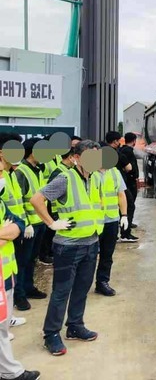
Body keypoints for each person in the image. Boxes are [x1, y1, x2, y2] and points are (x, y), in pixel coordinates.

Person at [30, 140, 102, 356]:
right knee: (61, 292)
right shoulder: (65, 178)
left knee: (81, 289)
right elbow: (37, 199)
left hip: (91, 243)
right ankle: (51, 334)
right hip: (68, 247)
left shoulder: (96, 178)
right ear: (76, 158)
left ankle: (75, 325)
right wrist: (51, 223)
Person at [0, 193, 41, 380]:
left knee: (2, 327)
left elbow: (18, 224)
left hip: (6, 276)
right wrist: (6, 231)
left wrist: (11, 230)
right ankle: (11, 372)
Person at [13, 137, 47, 311]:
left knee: (32, 259)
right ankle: (18, 295)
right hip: (28, 226)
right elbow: (18, 201)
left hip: (39, 223)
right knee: (22, 261)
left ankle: (28, 287)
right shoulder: (21, 172)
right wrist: (25, 223)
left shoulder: (38, 170)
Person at [0, 133, 30, 327]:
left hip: (13, 235)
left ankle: (7, 318)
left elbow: (15, 212)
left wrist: (20, 226)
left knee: (14, 275)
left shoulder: (11, 174)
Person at [39, 135, 82, 266]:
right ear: (70, 157)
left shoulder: (64, 167)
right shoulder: (60, 171)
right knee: (49, 232)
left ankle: (49, 253)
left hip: (55, 206)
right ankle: (45, 254)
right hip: (53, 206)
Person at [92, 167, 129, 296]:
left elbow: (121, 194)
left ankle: (102, 282)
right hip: (93, 221)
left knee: (107, 254)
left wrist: (124, 215)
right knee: (89, 255)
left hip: (111, 220)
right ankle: (82, 283)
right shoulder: (89, 171)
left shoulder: (115, 172)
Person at [105, 131, 137, 243]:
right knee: (129, 205)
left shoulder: (101, 151)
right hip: (118, 183)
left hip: (103, 186)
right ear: (115, 141)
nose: (120, 142)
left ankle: (112, 234)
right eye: (119, 140)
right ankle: (125, 233)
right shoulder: (117, 153)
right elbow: (128, 168)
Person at [120, 133, 139, 230]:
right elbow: (130, 167)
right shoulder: (128, 151)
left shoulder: (122, 150)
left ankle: (126, 222)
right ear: (134, 141)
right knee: (130, 203)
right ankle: (127, 224)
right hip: (130, 181)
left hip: (127, 180)